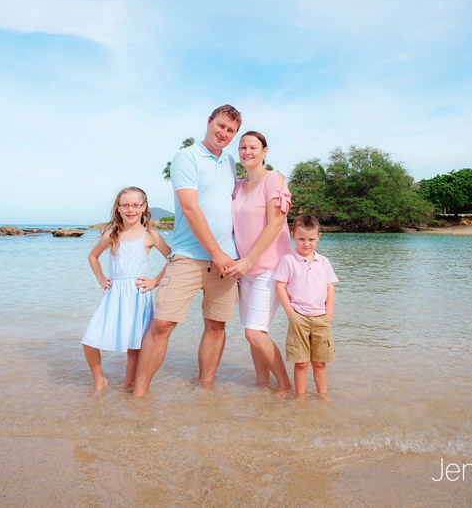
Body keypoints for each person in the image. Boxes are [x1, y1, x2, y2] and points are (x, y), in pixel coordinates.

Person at [131, 105, 242, 398]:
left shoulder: (230, 162)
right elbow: (190, 208)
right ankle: (138, 396)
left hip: (226, 261)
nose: (223, 133)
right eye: (220, 126)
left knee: (216, 326)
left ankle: (205, 393)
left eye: (230, 130)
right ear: (209, 122)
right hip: (188, 257)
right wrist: (216, 252)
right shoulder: (186, 157)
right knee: (162, 325)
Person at [82, 186, 170, 391]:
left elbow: (173, 259)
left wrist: (155, 281)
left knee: (134, 346)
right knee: (89, 341)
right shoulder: (112, 234)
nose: (131, 210)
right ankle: (99, 381)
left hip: (138, 294)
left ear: (144, 207)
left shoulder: (150, 235)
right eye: (126, 205)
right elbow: (93, 256)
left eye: (136, 205)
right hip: (113, 294)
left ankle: (128, 386)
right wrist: (101, 279)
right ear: (118, 208)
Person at [226, 131, 293, 391]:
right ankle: (262, 386)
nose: (247, 152)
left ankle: (285, 386)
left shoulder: (273, 179)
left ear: (265, 152)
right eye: (243, 147)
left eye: (253, 147)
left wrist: (247, 260)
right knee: (254, 334)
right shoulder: (236, 187)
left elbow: (276, 223)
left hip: (271, 267)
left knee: (253, 332)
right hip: (245, 271)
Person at [274, 214, 338, 401]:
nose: (306, 244)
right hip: (298, 317)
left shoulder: (323, 261)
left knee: (319, 363)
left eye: (311, 239)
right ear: (293, 235)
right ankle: (300, 398)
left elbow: (330, 288)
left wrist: (328, 315)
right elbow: (280, 286)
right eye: (301, 239)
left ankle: (323, 397)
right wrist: (290, 313)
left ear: (318, 237)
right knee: (301, 363)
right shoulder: (288, 260)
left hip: (321, 318)